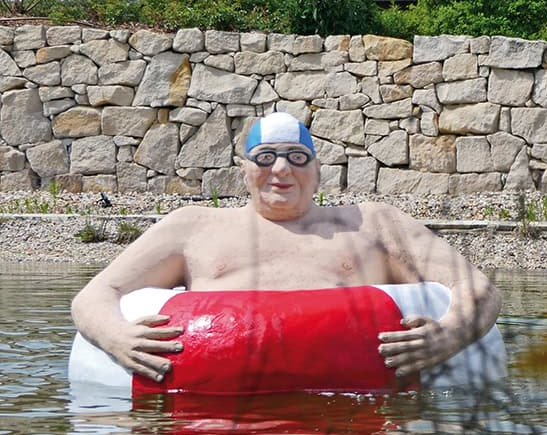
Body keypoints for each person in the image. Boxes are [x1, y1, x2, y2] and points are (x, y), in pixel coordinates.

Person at [71, 112, 501, 384]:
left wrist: (450, 335)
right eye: (265, 157)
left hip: (360, 421)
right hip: (214, 412)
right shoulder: (192, 226)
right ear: (244, 172)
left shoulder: (372, 221)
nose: (280, 169)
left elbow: (478, 288)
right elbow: (95, 296)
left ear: (317, 171)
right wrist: (117, 337)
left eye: (297, 157)